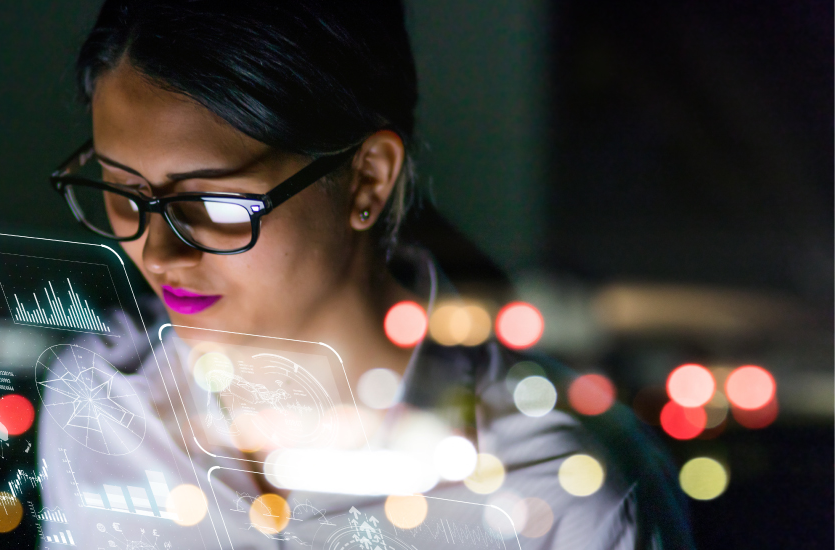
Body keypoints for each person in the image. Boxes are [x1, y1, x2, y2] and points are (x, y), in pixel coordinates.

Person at [38, 1, 693, 548]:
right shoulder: (98, 407)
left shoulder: (558, 487)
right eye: (122, 192)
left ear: (368, 178)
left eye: (214, 203)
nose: (157, 253)